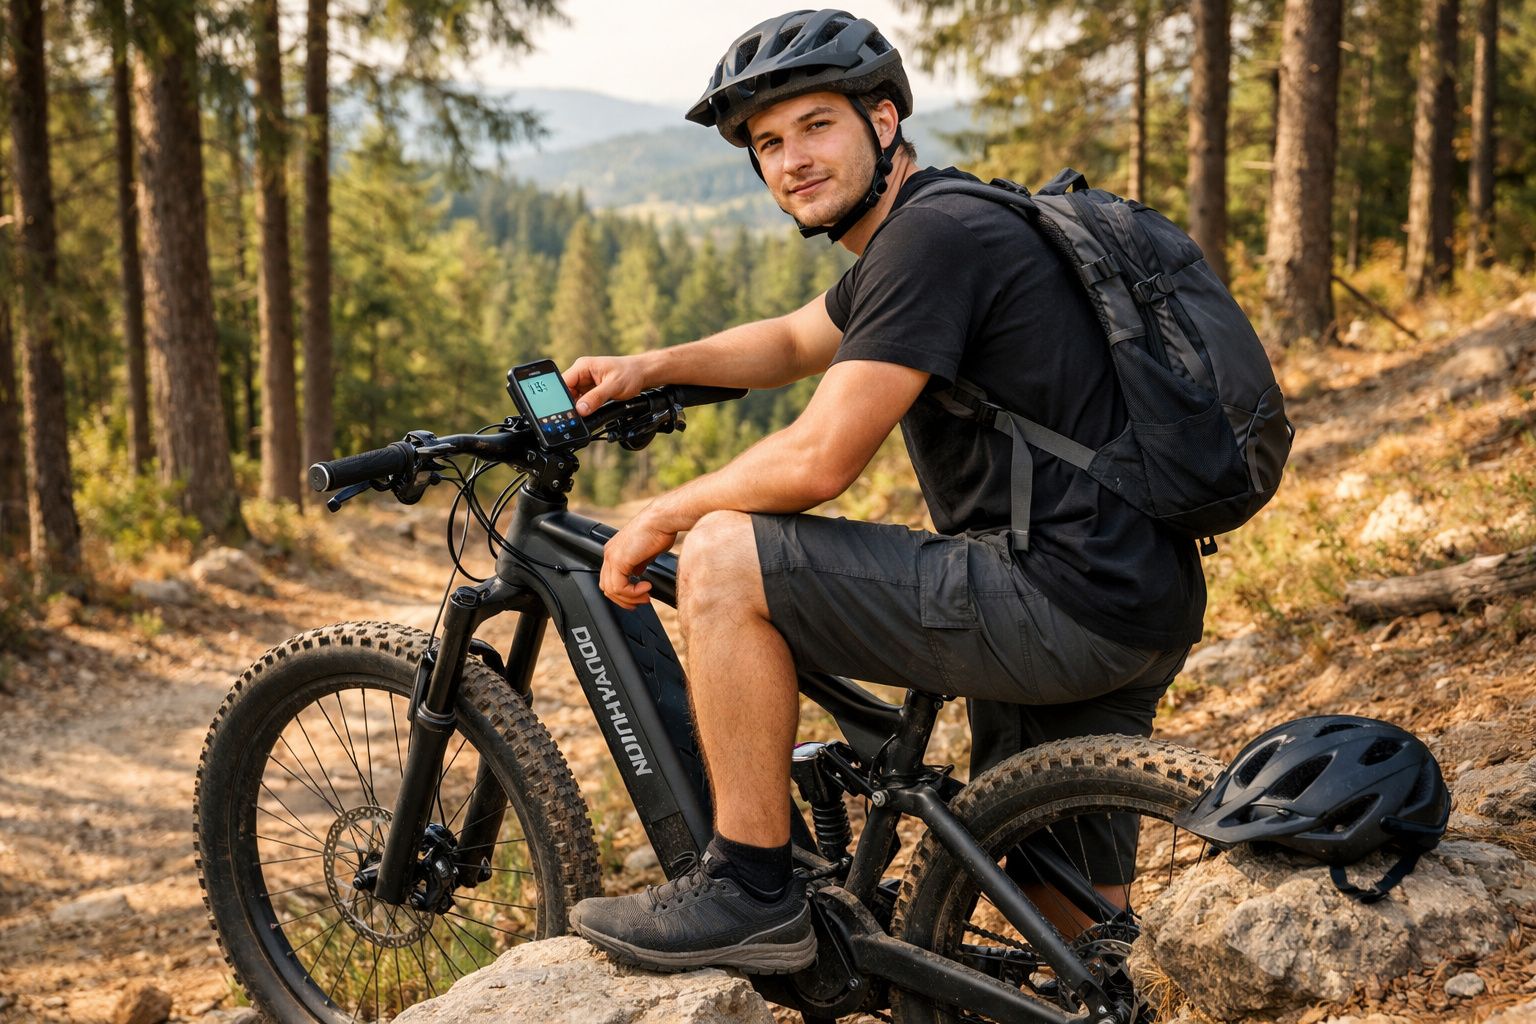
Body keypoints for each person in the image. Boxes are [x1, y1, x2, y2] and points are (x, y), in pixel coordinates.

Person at [564, 8, 1205, 975]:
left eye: (815, 125)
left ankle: (748, 889)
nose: (792, 161)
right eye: (768, 144)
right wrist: (651, 366)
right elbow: (795, 339)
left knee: (724, 556)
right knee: (1068, 918)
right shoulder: (950, 218)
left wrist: (661, 512)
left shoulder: (929, 241)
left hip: (1056, 598)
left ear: (884, 119)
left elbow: (819, 460)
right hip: (1137, 594)